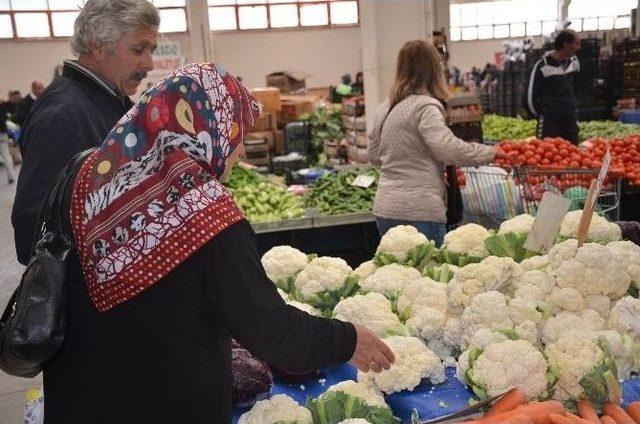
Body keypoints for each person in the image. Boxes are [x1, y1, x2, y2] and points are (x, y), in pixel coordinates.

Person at [43, 63, 394, 423]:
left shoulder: (85, 175)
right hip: (165, 402)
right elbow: (274, 334)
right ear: (204, 127)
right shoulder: (204, 214)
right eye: (236, 129)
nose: (241, 148)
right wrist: (348, 341)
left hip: (80, 396)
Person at [12, 0, 159, 265]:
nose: (149, 63)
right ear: (98, 46)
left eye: (152, 49)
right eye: (139, 49)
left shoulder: (110, 100)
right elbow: (31, 228)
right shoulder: (63, 116)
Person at [368, 40, 507, 247]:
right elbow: (447, 149)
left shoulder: (385, 108)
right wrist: (490, 152)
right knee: (430, 275)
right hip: (420, 210)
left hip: (386, 209)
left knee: (400, 272)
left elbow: (374, 155)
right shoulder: (425, 106)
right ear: (434, 69)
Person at [525, 29, 581, 144]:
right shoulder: (542, 66)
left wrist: (573, 107)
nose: (578, 47)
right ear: (566, 45)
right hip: (550, 124)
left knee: (573, 154)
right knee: (548, 154)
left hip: (570, 122)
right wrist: (543, 114)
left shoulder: (574, 64)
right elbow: (529, 97)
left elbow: (577, 88)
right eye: (576, 44)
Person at [0, 91, 21, 183]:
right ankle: (11, 176)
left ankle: (11, 175)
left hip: (4, 133)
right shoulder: (3, 104)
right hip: (3, 132)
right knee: (6, 155)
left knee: (7, 154)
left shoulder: (4, 104)